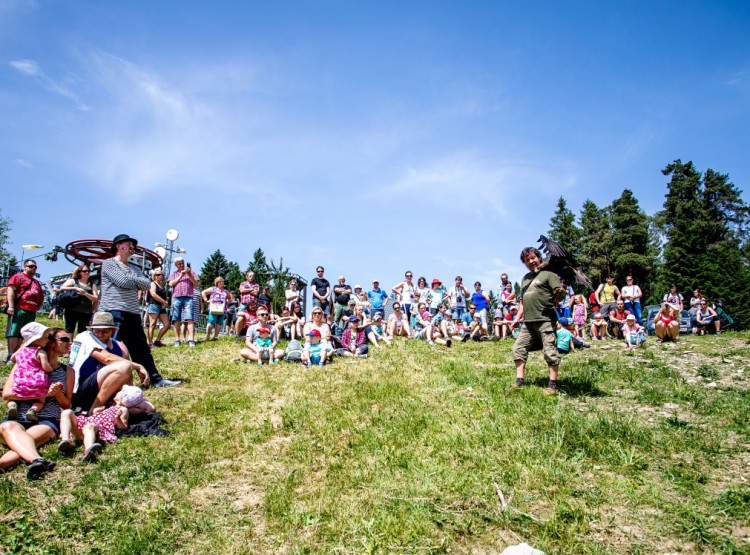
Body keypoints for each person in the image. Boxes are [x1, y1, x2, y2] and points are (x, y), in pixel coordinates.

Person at [99, 234, 177, 387]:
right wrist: (134, 280)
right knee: (112, 347)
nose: (132, 247)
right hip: (113, 311)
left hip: (133, 312)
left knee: (141, 348)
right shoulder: (109, 264)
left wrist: (131, 280)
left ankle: (155, 379)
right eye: (128, 244)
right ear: (119, 246)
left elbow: (147, 285)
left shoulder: (134, 268)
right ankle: (106, 381)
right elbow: (122, 281)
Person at [1, 327, 74, 479]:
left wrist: (57, 394)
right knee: (9, 427)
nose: (70, 343)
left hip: (46, 420)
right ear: (51, 343)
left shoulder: (68, 371)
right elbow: (7, 394)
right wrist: (42, 393)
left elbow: (66, 404)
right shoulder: (24, 363)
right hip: (17, 417)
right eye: (65, 339)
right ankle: (38, 460)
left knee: (23, 443)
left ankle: (28, 461)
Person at [69, 312, 154, 412]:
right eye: (96, 330)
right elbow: (106, 358)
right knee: (124, 366)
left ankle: (110, 412)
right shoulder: (85, 337)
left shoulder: (119, 346)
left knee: (149, 408)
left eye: (104, 331)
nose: (100, 334)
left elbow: (127, 376)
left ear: (112, 330)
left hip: (109, 391)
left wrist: (126, 395)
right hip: (83, 388)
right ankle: (94, 411)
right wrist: (139, 366)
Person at [512, 246, 565, 395]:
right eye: (527, 260)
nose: (531, 261)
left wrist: (561, 292)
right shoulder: (525, 278)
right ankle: (519, 382)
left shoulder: (549, 274)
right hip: (527, 322)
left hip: (545, 319)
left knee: (550, 351)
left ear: (539, 258)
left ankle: (552, 385)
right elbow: (522, 300)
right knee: (518, 349)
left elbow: (558, 296)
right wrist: (517, 318)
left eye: (533, 258)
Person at [5, 323, 53, 422]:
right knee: (40, 400)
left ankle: (12, 406)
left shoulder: (22, 349)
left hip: (20, 380)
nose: (47, 340)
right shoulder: (40, 352)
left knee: (13, 397)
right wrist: (50, 369)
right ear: (36, 338)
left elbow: (13, 357)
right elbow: (46, 367)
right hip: (36, 381)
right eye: (45, 337)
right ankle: (32, 410)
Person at [57, 397, 129, 463]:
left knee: (90, 426)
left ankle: (89, 450)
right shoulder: (108, 405)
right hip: (84, 423)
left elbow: (123, 427)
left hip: (96, 427)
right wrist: (96, 411)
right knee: (67, 412)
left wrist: (117, 417)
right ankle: (66, 441)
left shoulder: (123, 409)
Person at [4, 259, 44, 363]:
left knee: (23, 333)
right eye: (31, 266)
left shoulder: (36, 282)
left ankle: (16, 355)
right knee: (14, 331)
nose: (33, 268)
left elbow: (41, 295)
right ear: (24, 267)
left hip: (31, 311)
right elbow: (11, 290)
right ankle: (10, 355)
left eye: (35, 267)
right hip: (19, 308)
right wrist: (11, 306)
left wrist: (38, 307)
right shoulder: (17, 277)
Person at [167, 257, 199, 347]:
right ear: (176, 265)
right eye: (179, 264)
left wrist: (189, 274)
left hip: (188, 297)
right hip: (176, 297)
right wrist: (181, 275)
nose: (182, 265)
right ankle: (177, 339)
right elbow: (171, 284)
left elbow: (196, 284)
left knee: (190, 318)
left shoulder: (191, 273)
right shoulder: (174, 274)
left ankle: (191, 339)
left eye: (182, 263)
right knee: (176, 318)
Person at [59, 264, 99, 335]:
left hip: (86, 312)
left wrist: (85, 294)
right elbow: (62, 288)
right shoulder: (73, 281)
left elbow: (95, 298)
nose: (87, 272)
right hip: (71, 310)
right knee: (69, 330)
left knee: (82, 332)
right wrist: (75, 288)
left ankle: (79, 345)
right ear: (79, 272)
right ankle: (69, 345)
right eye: (85, 271)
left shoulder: (92, 285)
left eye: (88, 271)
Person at [146, 269, 170, 347]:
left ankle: (157, 340)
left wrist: (165, 303)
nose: (161, 276)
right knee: (152, 325)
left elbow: (165, 297)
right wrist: (164, 302)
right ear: (155, 276)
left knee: (167, 324)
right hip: (154, 305)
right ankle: (150, 343)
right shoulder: (152, 284)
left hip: (161, 307)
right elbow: (153, 294)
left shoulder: (162, 286)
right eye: (159, 275)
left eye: (162, 275)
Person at [202, 277, 232, 341]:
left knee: (219, 323)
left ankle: (215, 337)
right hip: (213, 308)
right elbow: (203, 292)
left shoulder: (225, 291)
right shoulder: (213, 289)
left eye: (222, 281)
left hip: (222, 310)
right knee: (211, 322)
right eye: (220, 281)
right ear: (216, 283)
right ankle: (207, 336)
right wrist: (206, 300)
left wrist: (227, 303)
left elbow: (230, 298)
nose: (221, 283)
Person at [235, 271, 260, 336]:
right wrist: (251, 289)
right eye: (250, 276)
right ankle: (238, 333)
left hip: (253, 305)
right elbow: (241, 290)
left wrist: (246, 290)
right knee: (240, 317)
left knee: (253, 318)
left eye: (253, 276)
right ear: (247, 277)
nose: (251, 277)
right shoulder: (243, 283)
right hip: (244, 304)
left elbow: (256, 293)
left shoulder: (256, 285)